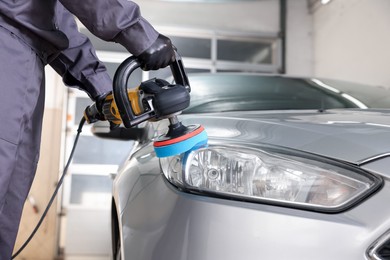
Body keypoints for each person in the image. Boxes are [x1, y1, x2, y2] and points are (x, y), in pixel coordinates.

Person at [0, 0, 175, 258]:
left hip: (26, 55)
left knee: (7, 204)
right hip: (8, 47)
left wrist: (103, 89)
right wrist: (139, 34)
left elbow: (57, 23)